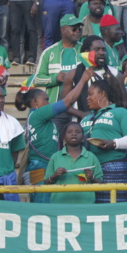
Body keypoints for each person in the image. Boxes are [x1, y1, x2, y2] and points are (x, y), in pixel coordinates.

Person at [18, 67, 94, 201]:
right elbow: (66, 102)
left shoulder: (38, 118)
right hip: (40, 166)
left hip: (41, 165)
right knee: (43, 205)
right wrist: (82, 81)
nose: (48, 103)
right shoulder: (38, 114)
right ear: (35, 103)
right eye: (46, 100)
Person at [80, 78, 127, 203]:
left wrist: (113, 143)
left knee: (115, 207)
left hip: (113, 166)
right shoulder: (86, 118)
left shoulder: (120, 112)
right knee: (92, 207)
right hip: (88, 169)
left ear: (102, 94)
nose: (87, 98)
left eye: (91, 94)